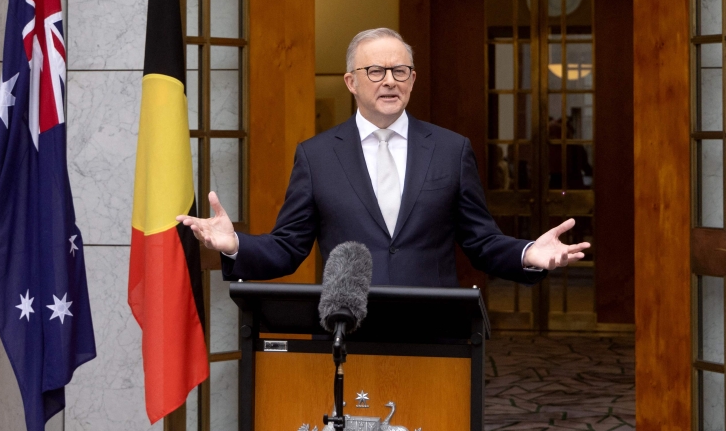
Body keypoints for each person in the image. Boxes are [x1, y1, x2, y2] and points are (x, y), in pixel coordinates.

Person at [178, 28, 589, 287]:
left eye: (400, 71)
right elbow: (288, 248)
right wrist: (234, 246)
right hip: (350, 331)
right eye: (375, 71)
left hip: (434, 331)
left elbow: (480, 242)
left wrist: (527, 253)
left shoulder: (450, 149)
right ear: (351, 82)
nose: (389, 81)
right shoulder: (317, 155)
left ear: (412, 79)